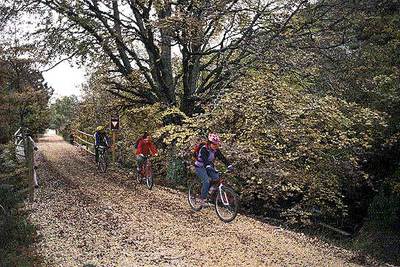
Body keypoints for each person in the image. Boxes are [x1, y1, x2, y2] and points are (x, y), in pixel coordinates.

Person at [195, 133, 233, 207]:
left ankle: (209, 189)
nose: (216, 146)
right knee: (206, 181)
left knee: (216, 177)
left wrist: (229, 165)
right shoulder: (204, 149)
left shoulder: (216, 150)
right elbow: (205, 159)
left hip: (209, 166)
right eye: (214, 144)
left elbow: (222, 158)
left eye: (217, 144)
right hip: (200, 167)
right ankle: (202, 200)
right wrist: (208, 166)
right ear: (210, 143)